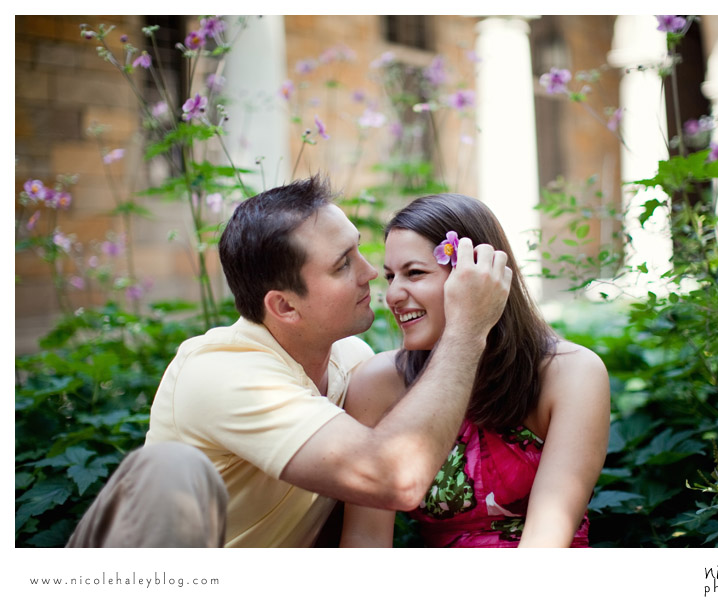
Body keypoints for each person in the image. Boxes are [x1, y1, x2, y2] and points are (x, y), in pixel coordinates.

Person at [67, 175, 512, 548]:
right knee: (169, 469)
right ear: (284, 307)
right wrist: (467, 328)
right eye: (342, 265)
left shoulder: (354, 363)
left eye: (358, 250)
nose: (371, 273)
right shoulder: (222, 372)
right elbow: (396, 478)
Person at [339, 194, 610, 548]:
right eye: (390, 277)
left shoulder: (571, 374)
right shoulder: (379, 382)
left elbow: (547, 541)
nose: (392, 295)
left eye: (415, 273)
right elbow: (365, 541)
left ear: (481, 276)